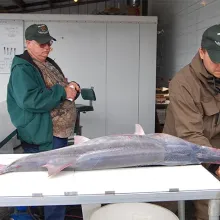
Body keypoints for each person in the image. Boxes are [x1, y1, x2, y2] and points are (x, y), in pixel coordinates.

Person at [7, 24, 81, 220]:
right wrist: (63, 92)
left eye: (48, 43)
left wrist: (73, 87)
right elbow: (30, 100)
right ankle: (42, 215)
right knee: (52, 183)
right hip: (44, 134)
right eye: (41, 44)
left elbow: (61, 85)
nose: (47, 47)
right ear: (28, 43)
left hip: (57, 133)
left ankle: (42, 212)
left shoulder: (46, 62)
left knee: (50, 180)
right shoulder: (23, 69)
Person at [163, 24, 220, 220]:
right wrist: (215, 164)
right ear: (202, 52)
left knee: (212, 206)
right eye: (217, 60)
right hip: (181, 149)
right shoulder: (183, 83)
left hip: (215, 149)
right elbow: (190, 134)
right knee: (169, 204)